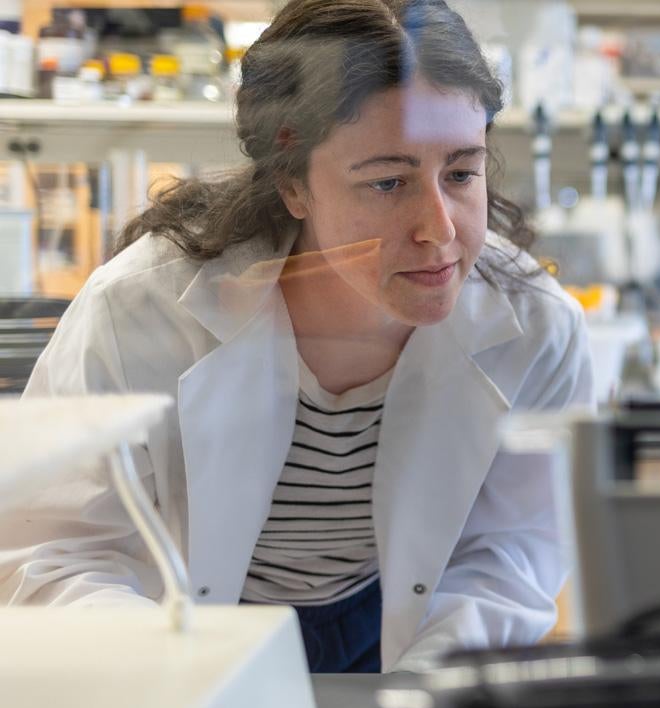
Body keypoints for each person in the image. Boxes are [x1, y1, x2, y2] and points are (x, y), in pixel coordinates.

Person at [0, 0, 594, 673]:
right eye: (388, 182)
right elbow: (56, 547)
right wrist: (172, 677)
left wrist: (427, 698)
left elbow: (510, 554)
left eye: (460, 174)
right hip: (180, 617)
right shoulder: (141, 310)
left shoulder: (535, 327)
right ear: (292, 185)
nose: (439, 228)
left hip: (402, 614)